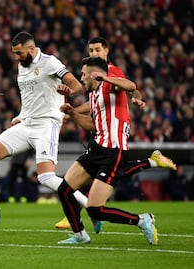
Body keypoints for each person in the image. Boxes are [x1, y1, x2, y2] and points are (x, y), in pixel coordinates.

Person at [54, 37, 175, 230]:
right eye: (91, 50)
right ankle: (82, 214)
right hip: (100, 134)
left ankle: (88, 212)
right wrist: (74, 112)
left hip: (114, 134)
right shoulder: (92, 82)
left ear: (106, 51)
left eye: (97, 50)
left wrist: (137, 98)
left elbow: (129, 87)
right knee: (90, 178)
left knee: (106, 174)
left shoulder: (110, 72)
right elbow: (94, 105)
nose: (94, 53)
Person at [0, 31, 83, 224]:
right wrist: (21, 116)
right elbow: (28, 97)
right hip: (27, 123)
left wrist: (68, 91)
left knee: (46, 177)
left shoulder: (49, 62)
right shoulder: (23, 65)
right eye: (14, 53)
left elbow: (76, 84)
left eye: (19, 53)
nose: (16, 57)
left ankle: (89, 205)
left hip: (47, 124)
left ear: (31, 48)